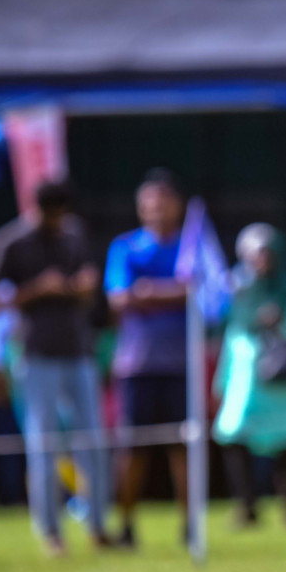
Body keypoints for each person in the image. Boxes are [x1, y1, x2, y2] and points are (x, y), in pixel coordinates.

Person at [0, 180, 113, 555]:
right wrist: (38, 289)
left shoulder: (75, 235)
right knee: (43, 442)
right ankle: (50, 531)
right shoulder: (13, 241)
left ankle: (97, 524)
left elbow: (91, 283)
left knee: (92, 439)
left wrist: (83, 287)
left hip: (78, 350)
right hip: (36, 354)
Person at [214, 223, 286, 527]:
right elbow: (232, 335)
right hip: (246, 384)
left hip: (285, 383)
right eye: (252, 255)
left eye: (264, 254)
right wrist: (221, 380)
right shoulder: (240, 291)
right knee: (234, 437)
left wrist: (280, 323)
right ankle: (246, 506)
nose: (259, 261)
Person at [105, 168, 191, 547]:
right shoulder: (124, 247)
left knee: (183, 448)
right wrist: (173, 293)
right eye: (149, 205)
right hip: (136, 365)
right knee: (133, 450)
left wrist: (148, 293)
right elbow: (120, 299)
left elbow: (204, 294)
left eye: (164, 203)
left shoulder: (191, 247)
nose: (157, 210)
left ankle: (190, 526)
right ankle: (126, 524)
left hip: (180, 364)